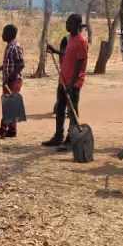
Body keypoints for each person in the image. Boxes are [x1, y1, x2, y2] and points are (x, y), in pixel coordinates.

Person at [43, 14, 89, 149]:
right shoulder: (70, 40)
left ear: (77, 24)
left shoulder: (81, 41)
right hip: (63, 80)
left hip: (73, 83)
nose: (67, 25)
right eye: (67, 23)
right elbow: (67, 55)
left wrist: (72, 83)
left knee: (72, 110)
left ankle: (71, 139)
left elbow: (80, 63)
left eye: (69, 23)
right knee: (60, 108)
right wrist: (55, 51)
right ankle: (58, 136)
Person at [0, 24, 25, 139]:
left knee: (8, 105)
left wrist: (10, 76)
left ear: (10, 34)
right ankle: (12, 130)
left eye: (4, 32)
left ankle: (2, 131)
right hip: (8, 80)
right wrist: (0, 68)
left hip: (13, 80)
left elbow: (21, 64)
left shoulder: (15, 47)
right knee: (11, 105)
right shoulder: (9, 46)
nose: (2, 35)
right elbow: (10, 63)